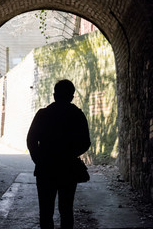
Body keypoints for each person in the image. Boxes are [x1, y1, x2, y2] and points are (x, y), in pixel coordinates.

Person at [27, 79, 91, 229]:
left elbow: (31, 141)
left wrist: (39, 160)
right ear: (71, 96)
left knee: (46, 212)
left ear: (54, 95)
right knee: (66, 210)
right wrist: (69, 155)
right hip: (69, 169)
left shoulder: (43, 115)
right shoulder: (77, 115)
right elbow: (85, 142)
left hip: (45, 169)